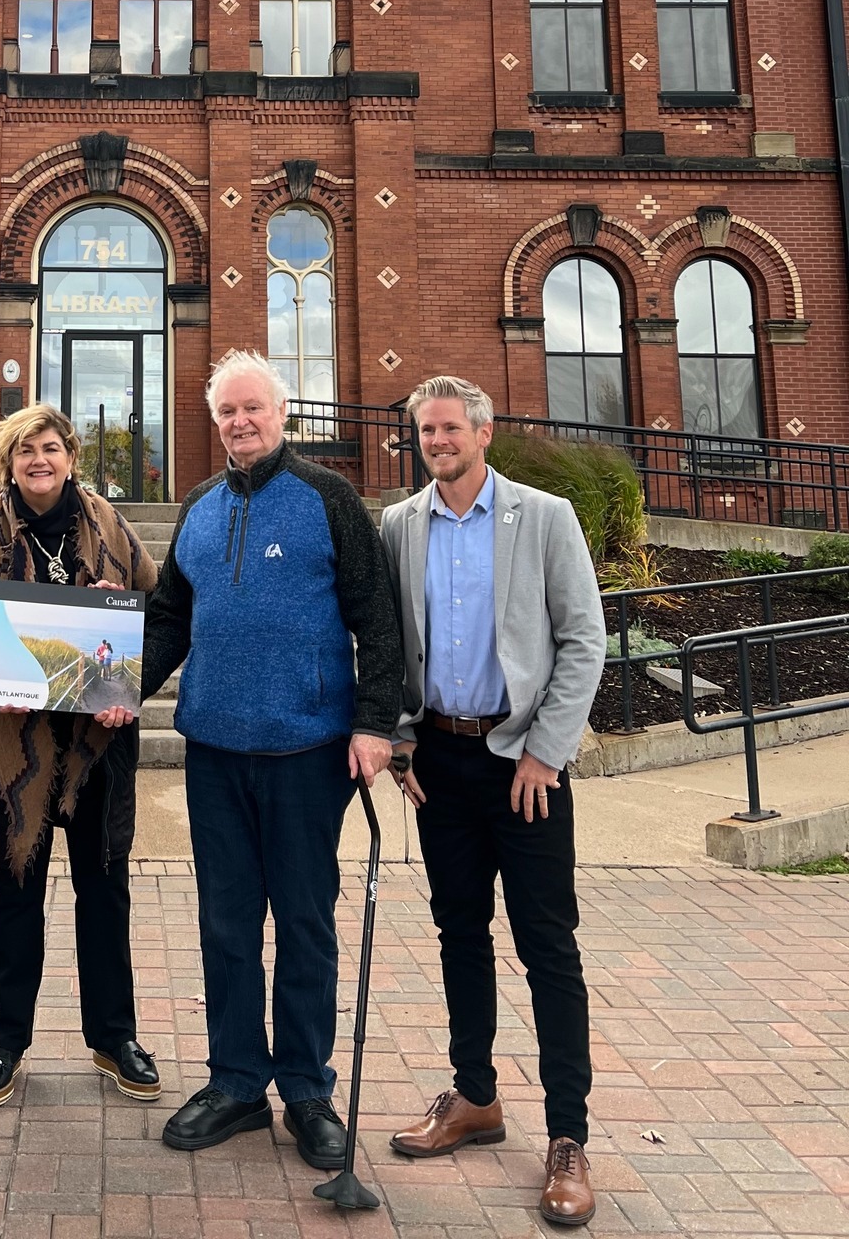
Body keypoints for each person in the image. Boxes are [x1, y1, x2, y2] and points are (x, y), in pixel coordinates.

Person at [140, 349, 401, 1169]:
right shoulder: (200, 508)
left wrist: (373, 723)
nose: (240, 422)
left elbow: (377, 616)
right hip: (214, 750)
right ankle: (236, 1083)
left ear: (282, 414)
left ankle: (307, 1089)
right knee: (225, 924)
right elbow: (167, 622)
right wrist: (116, 689)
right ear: (213, 421)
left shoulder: (329, 498)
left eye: (253, 408)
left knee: (304, 922)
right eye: (227, 412)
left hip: (306, 749)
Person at [381, 375, 605, 1229]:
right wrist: (402, 739)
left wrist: (547, 753)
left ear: (484, 432)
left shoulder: (544, 517)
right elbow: (393, 642)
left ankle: (568, 1138)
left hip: (526, 770)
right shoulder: (402, 525)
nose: (437, 441)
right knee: (459, 932)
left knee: (547, 946)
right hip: (441, 760)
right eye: (426, 431)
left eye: (449, 429)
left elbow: (583, 637)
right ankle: (474, 1095)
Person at [0, 403, 159, 1109]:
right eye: (24, 451)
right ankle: (6, 1039)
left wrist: (123, 633)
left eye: (50, 448)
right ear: (7, 464)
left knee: (105, 894)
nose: (39, 460)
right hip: (17, 751)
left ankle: (114, 1036)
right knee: (16, 899)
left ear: (70, 456)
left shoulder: (107, 522)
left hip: (98, 745)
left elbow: (155, 606)